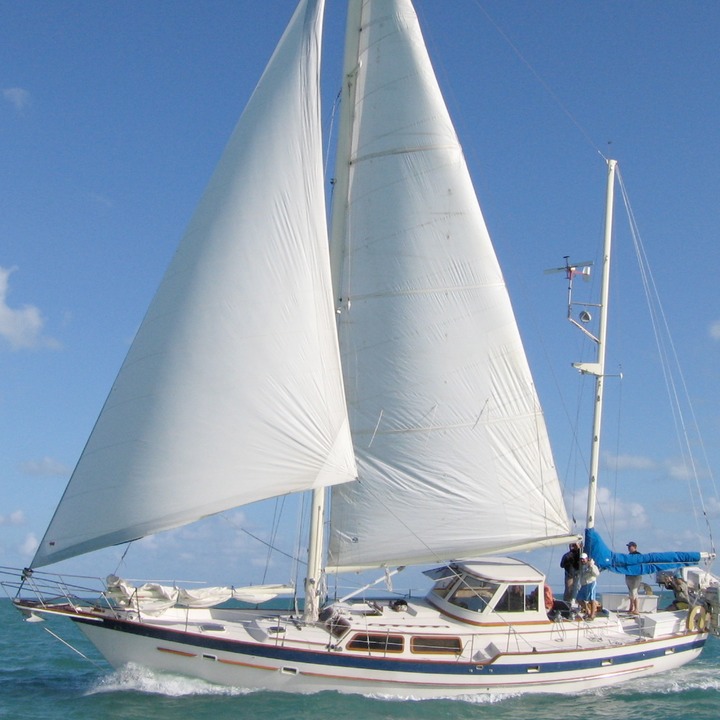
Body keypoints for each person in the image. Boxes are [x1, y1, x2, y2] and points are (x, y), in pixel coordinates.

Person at [576, 553, 600, 620]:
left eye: (583, 559)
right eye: (581, 559)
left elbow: (597, 574)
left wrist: (591, 566)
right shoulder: (582, 566)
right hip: (584, 584)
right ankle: (588, 611)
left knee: (592, 599)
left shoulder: (592, 565)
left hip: (591, 583)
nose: (582, 560)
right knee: (579, 599)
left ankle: (592, 615)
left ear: (586, 559)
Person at [625, 541, 642, 614]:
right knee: (630, 592)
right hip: (629, 575)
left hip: (636, 576)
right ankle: (631, 607)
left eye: (630, 546)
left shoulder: (638, 555)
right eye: (628, 546)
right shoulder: (629, 556)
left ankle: (636, 609)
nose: (628, 548)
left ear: (634, 547)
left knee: (634, 592)